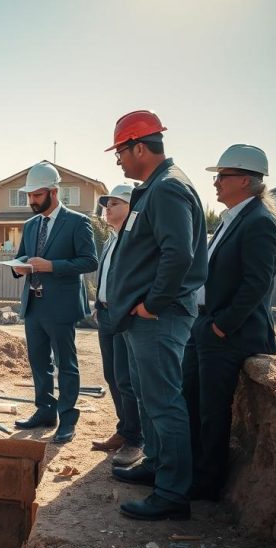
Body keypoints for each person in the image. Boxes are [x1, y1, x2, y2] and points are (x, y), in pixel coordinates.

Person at [103, 110, 207, 521]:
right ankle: (156, 466)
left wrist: (153, 303)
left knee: (164, 403)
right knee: (148, 398)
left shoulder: (167, 189)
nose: (119, 161)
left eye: (121, 153)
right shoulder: (152, 188)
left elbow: (178, 254)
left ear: (140, 147)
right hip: (140, 318)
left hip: (157, 319)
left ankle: (172, 493)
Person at [183, 145, 276, 501]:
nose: (215, 182)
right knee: (191, 400)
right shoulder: (236, 218)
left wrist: (221, 326)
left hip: (230, 334)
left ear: (245, 180)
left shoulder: (259, 222)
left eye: (222, 176)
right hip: (207, 326)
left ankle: (207, 484)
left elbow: (257, 284)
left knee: (212, 409)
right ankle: (191, 471)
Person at [10, 161, 98, 444]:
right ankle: (45, 411)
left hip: (61, 306)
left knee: (66, 364)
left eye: (36, 195)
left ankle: (67, 419)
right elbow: (22, 258)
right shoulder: (30, 224)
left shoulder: (77, 222)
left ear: (53, 191)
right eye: (29, 196)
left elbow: (89, 261)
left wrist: (51, 266)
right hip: (33, 305)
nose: (31, 201)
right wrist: (17, 267)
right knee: (39, 363)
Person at [91, 183, 143, 467]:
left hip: (125, 317)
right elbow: (106, 276)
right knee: (111, 376)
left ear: (131, 207)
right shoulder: (111, 238)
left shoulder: (133, 239)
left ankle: (135, 439)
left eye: (114, 204)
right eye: (106, 205)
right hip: (107, 315)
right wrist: (99, 305)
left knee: (126, 379)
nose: (107, 209)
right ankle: (124, 430)